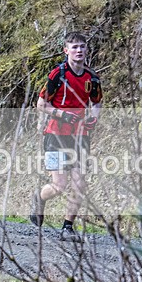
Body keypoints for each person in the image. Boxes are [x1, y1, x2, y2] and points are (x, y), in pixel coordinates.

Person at [30, 32, 102, 242]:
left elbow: (97, 101)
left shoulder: (92, 77)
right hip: (55, 135)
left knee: (80, 183)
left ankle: (67, 227)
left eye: (82, 47)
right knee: (59, 186)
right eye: (75, 47)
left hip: (80, 136)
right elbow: (41, 104)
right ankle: (39, 197)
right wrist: (62, 114)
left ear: (86, 49)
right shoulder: (57, 75)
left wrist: (94, 118)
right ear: (66, 50)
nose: (79, 51)